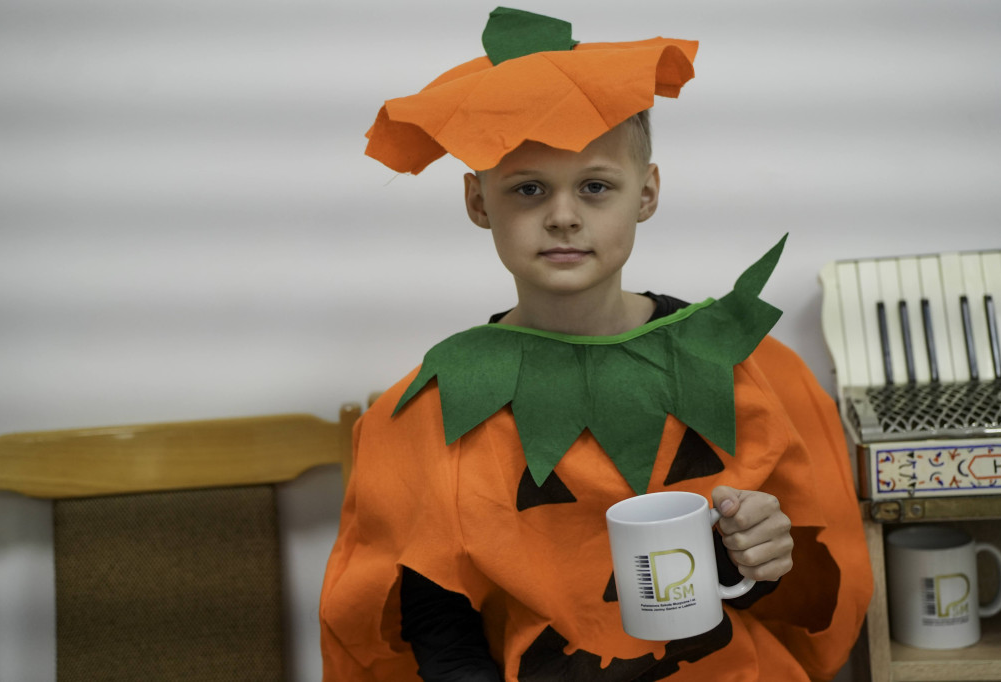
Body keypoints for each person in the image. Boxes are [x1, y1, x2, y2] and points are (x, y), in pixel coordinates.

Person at [320, 7, 872, 682]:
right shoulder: (437, 408)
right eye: (528, 188)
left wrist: (761, 555)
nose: (562, 215)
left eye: (595, 186)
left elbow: (808, 591)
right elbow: (436, 628)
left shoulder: (744, 368)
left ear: (646, 193)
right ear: (478, 202)